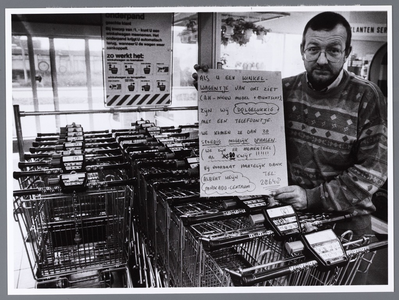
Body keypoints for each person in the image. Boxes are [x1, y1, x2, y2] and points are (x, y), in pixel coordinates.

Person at [271, 11, 387, 241]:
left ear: (347, 53)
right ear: (302, 50)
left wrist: (311, 197)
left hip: (345, 226)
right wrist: (215, 90)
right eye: (313, 49)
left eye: (333, 50)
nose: (322, 60)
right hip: (291, 220)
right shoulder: (281, 90)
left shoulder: (365, 96)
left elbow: (373, 170)